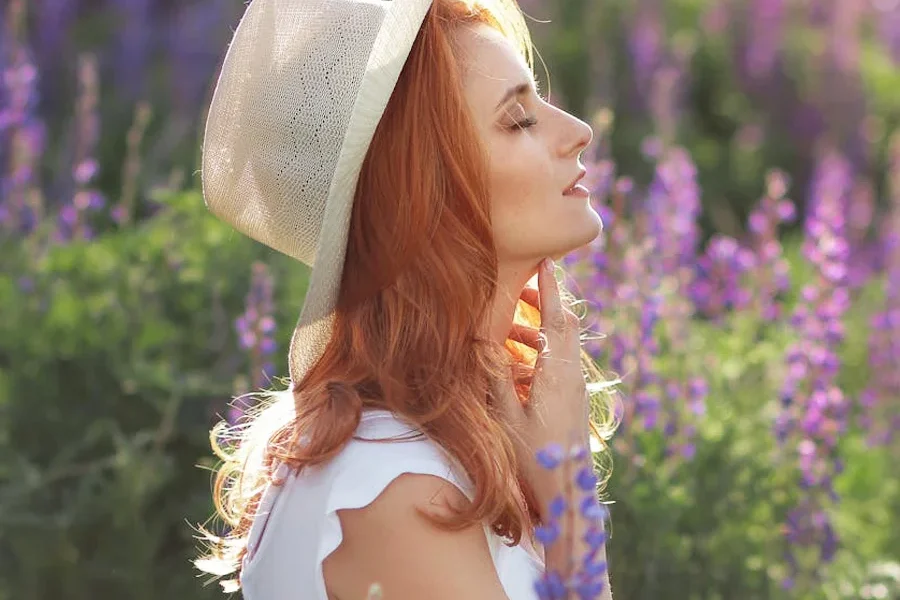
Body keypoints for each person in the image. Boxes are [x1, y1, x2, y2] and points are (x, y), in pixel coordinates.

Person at [193, 0, 619, 598]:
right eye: (518, 118)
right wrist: (570, 500)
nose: (578, 131)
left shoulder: (430, 451)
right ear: (423, 194)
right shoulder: (398, 489)